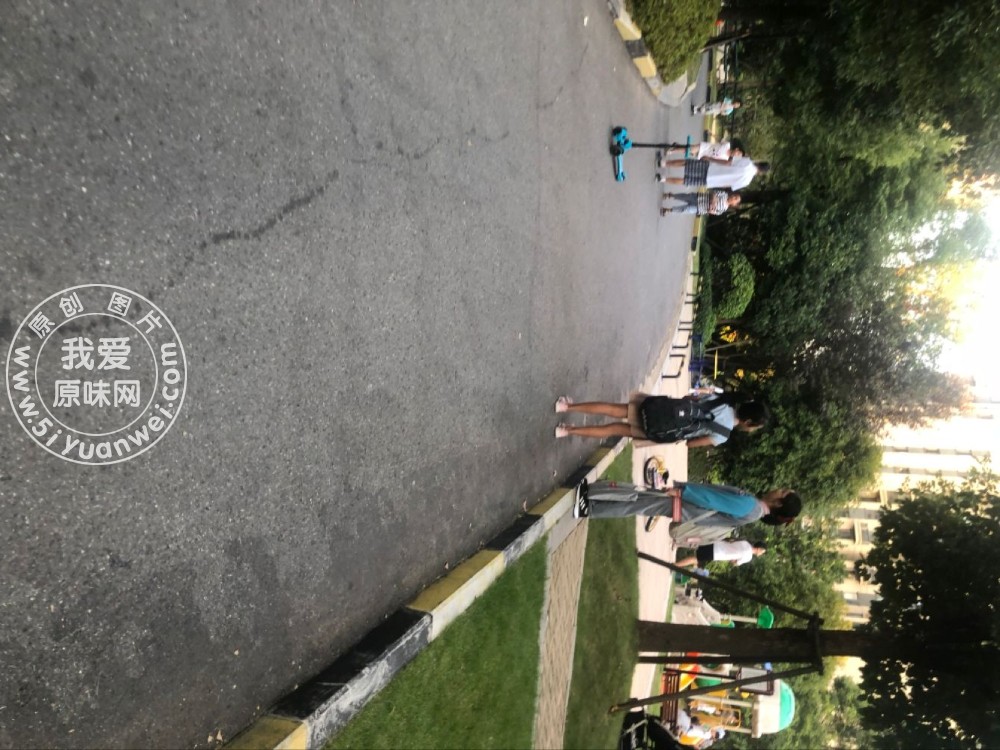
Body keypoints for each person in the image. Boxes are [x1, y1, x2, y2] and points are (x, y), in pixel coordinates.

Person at [573, 480, 801, 544]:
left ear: (779, 503)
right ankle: (592, 501)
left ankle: (589, 508)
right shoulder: (754, 512)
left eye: (782, 491)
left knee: (637, 503)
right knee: (638, 502)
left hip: (684, 503)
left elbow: (712, 499)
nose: (778, 488)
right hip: (685, 508)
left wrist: (682, 492)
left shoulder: (750, 506)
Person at [554, 394, 770, 448]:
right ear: (748, 422)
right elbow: (690, 443)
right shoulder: (723, 435)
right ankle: (567, 431)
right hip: (662, 429)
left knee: (613, 409)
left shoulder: (722, 401)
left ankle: (566, 407)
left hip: (661, 409)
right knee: (612, 429)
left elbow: (690, 398)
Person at [656, 154, 768, 191]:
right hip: (712, 181)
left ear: (759, 162)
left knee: (687, 163)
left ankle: (664, 163)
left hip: (712, 168)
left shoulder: (747, 162)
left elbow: (728, 162)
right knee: (686, 181)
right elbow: (728, 186)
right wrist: (716, 183)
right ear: (761, 173)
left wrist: (711, 159)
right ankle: (663, 179)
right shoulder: (747, 181)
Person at [675, 540, 767, 569]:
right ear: (759, 549)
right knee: (696, 559)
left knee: (697, 545)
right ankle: (676, 565)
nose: (761, 554)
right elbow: (735, 563)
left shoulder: (745, 542)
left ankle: (677, 543)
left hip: (718, 544)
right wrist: (733, 560)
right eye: (762, 552)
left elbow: (732, 542)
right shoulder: (748, 557)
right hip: (717, 554)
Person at [661, 190, 741, 217]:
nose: (733, 197)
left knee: (685, 209)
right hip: (699, 197)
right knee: (684, 197)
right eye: (735, 196)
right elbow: (714, 192)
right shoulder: (724, 194)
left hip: (700, 208)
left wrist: (710, 210)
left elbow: (715, 212)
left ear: (734, 204)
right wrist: (713, 200)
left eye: (735, 199)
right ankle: (670, 195)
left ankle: (668, 210)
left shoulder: (724, 209)